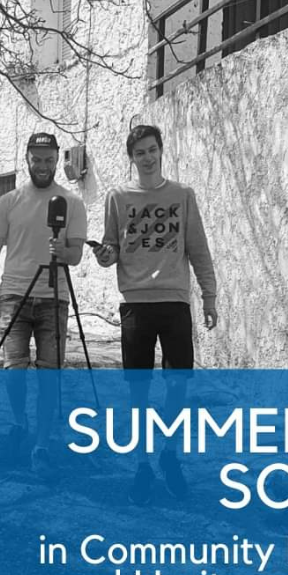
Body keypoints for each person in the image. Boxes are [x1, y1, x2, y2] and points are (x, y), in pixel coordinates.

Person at [93, 124, 218, 504]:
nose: (147, 158)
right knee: (139, 390)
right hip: (136, 304)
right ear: (131, 158)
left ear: (161, 151)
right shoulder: (117, 197)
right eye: (139, 153)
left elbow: (198, 248)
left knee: (177, 386)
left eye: (152, 150)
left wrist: (209, 296)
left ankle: (170, 454)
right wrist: (104, 256)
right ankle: (143, 464)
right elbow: (112, 248)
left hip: (175, 302)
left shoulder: (182, 195)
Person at [0, 133, 88, 474]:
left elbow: (76, 255)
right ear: (26, 159)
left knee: (50, 376)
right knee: (14, 370)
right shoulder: (8, 201)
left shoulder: (72, 202)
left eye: (49, 159)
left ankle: (41, 444)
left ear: (57, 160)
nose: (43, 166)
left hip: (54, 297)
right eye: (36, 159)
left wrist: (62, 251)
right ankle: (19, 422)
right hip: (14, 295)